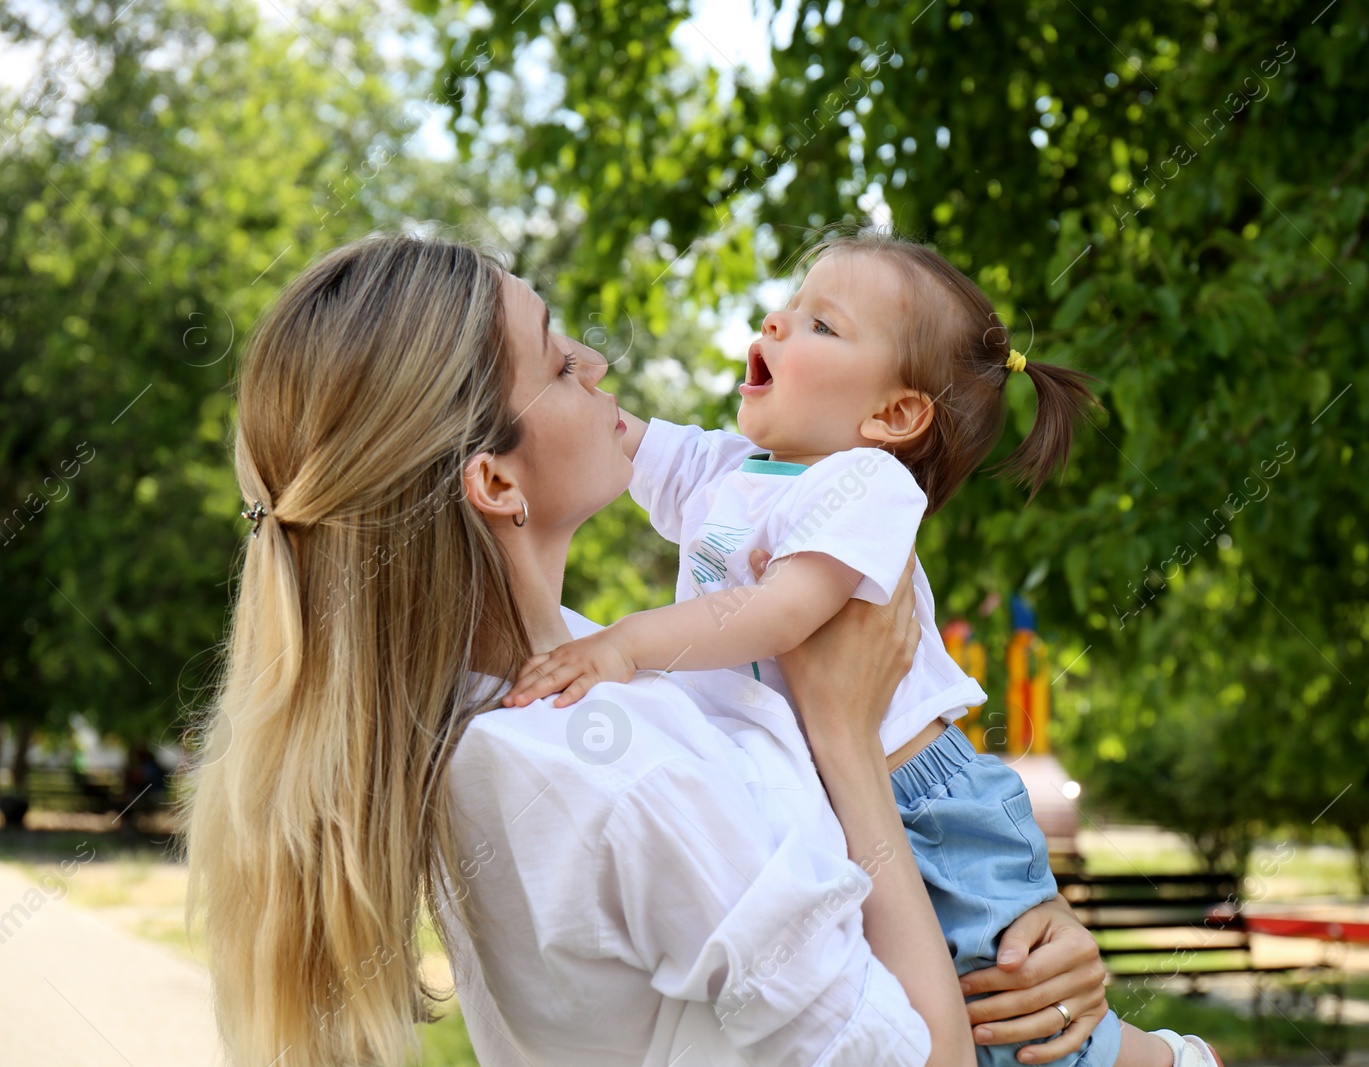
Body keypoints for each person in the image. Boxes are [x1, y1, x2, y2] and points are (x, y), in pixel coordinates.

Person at [181, 233, 1116, 1067]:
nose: (592, 362)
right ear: (497, 480)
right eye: (556, 363)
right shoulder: (618, 768)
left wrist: (1016, 918)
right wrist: (845, 733)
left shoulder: (522, 698)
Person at [503, 232, 1224, 1067]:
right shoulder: (728, 467)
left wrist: (626, 645)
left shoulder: (864, 486)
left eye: (821, 325)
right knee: (918, 1017)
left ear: (893, 415)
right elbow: (611, 433)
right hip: (829, 789)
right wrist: (548, 383)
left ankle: (1168, 1061)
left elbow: (780, 613)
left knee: (1020, 1023)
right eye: (789, 306)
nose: (775, 323)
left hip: (923, 804)